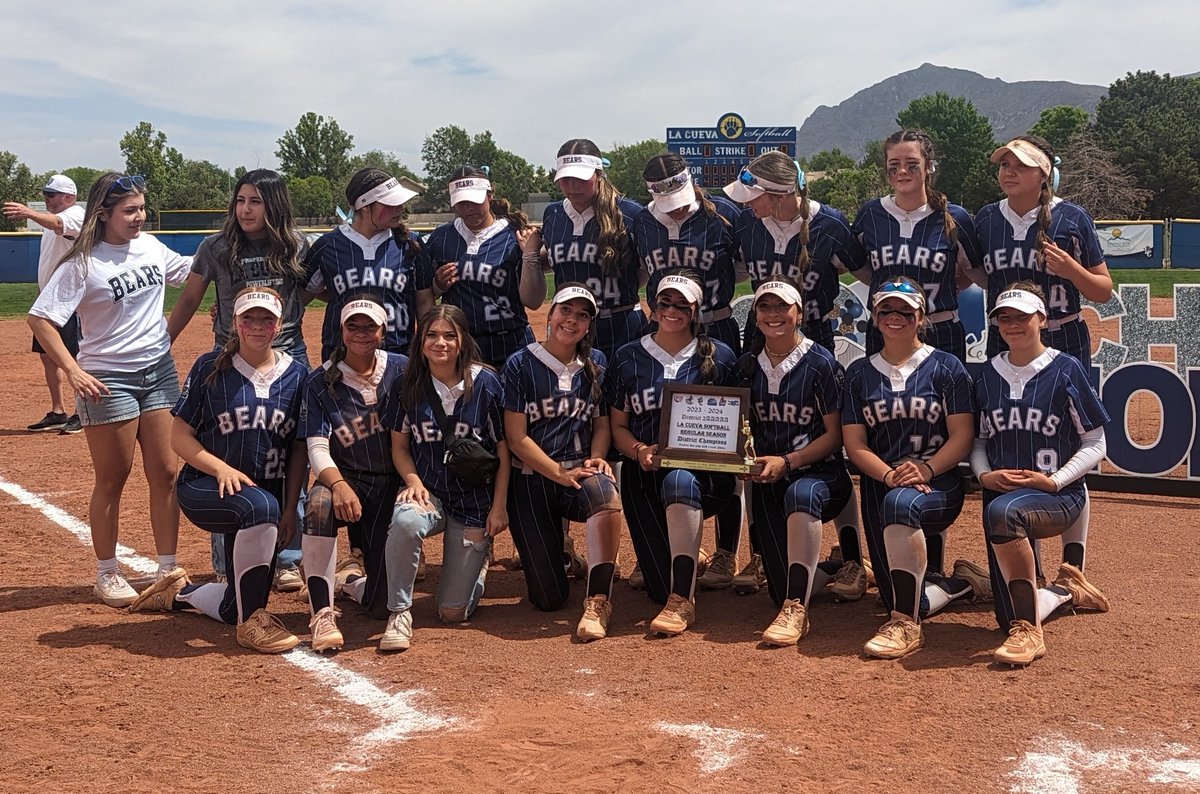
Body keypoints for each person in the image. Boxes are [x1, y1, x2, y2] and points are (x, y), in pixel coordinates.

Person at [28, 172, 191, 607]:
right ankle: (107, 572)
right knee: (114, 477)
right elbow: (41, 319)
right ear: (103, 215)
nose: (139, 217)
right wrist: (71, 370)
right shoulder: (84, 263)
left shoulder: (151, 247)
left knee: (167, 474)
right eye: (130, 211)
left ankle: (166, 570)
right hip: (108, 379)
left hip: (158, 371)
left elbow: (191, 272)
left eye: (141, 208)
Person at [129, 288, 310, 653]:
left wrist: (291, 508)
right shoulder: (211, 367)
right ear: (234, 323)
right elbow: (179, 436)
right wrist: (220, 468)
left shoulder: (297, 376)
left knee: (232, 603)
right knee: (259, 509)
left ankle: (178, 593)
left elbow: (298, 450)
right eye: (249, 318)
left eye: (266, 319)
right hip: (206, 486)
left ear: (278, 326)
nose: (257, 326)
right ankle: (253, 623)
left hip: (268, 500)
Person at [723, 151, 869, 599]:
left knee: (829, 442)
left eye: (754, 197)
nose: (747, 205)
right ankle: (764, 552)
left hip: (817, 335)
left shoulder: (831, 224)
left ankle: (851, 559)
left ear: (780, 194)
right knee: (758, 439)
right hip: (761, 334)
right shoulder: (748, 226)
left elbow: (866, 273)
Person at [167, 168, 311, 592]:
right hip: (229, 358)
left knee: (286, 455)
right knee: (229, 452)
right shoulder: (216, 246)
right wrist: (163, 345)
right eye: (240, 200)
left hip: (287, 355)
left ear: (274, 205)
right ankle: (227, 560)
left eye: (256, 201)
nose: (245, 209)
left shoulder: (298, 246)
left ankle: (287, 558)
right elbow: (191, 297)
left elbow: (315, 288)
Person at [971, 283, 1111, 666]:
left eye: (1022, 317)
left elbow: (1096, 443)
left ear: (1042, 320)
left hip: (1057, 496)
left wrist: (1054, 481)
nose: (1013, 325)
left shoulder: (1066, 368)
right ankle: (1068, 592)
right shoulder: (986, 374)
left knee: (1004, 517)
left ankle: (1030, 633)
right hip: (999, 493)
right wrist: (983, 476)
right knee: (1005, 615)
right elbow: (980, 442)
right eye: (1005, 318)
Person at [841, 277, 979, 659]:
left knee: (901, 507)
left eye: (905, 310)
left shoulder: (946, 367)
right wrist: (889, 474)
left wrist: (928, 469)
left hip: (939, 482)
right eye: (886, 309)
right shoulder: (858, 374)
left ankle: (905, 626)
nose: (895, 316)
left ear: (921, 316)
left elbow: (962, 436)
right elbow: (854, 445)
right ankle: (958, 585)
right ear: (875, 316)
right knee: (901, 594)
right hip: (878, 483)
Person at [631, 154, 745, 590]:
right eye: (667, 201)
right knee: (664, 431)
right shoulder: (642, 222)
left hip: (715, 323)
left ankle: (726, 552)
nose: (676, 208)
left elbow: (744, 266)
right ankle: (663, 546)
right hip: (667, 326)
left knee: (725, 440)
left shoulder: (723, 214)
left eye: (680, 198)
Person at [606, 271, 739, 635]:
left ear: (696, 310)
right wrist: (637, 450)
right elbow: (617, 428)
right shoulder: (628, 356)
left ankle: (683, 601)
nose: (672, 310)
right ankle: (684, 557)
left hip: (704, 477)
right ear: (653, 305)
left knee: (680, 480)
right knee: (656, 589)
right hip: (644, 472)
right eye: (665, 302)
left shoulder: (722, 356)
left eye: (682, 304)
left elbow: (737, 425)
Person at [381, 305, 510, 650]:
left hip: (474, 501)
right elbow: (399, 447)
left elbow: (503, 451)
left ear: (463, 339)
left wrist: (498, 508)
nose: (441, 343)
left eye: (450, 335)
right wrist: (413, 482)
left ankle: (476, 567)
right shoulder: (406, 384)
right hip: (431, 492)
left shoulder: (486, 382)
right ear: (420, 341)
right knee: (406, 521)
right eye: (432, 335)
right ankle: (399, 611)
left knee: (453, 612)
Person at [501, 283, 623, 640]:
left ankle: (599, 598)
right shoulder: (521, 363)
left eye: (582, 315)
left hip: (578, 472)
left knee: (605, 495)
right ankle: (563, 558)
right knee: (549, 599)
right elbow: (515, 437)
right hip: (533, 476)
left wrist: (598, 458)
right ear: (551, 314)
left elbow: (601, 423)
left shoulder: (596, 362)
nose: (572, 320)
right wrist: (557, 471)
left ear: (589, 325)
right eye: (566, 311)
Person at [738, 280, 854, 645]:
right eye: (765, 307)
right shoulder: (746, 367)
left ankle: (797, 610)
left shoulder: (821, 363)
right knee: (777, 586)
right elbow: (737, 428)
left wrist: (788, 461)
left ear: (799, 313)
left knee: (801, 496)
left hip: (819, 476)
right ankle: (829, 569)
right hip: (769, 480)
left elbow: (836, 437)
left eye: (782, 307)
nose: (774, 315)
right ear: (755, 316)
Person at [299, 295, 408, 651]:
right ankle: (322, 612)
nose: (361, 333)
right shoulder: (321, 380)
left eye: (370, 326)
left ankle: (347, 582)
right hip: (347, 478)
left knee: (379, 607)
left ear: (383, 331)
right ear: (341, 331)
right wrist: (340, 485)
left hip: (390, 484)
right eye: (353, 325)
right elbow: (316, 447)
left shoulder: (403, 369)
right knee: (318, 503)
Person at [970, 136, 1112, 365]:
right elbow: (974, 276)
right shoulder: (986, 218)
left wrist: (1072, 271)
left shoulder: (1072, 218)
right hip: (1004, 338)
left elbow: (1103, 291)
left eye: (1022, 166)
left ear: (1044, 174)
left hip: (1061, 337)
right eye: (1005, 165)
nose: (1009, 172)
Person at [851, 129, 983, 362]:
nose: (902, 171)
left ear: (928, 165)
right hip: (886, 330)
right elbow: (861, 268)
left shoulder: (954, 217)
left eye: (912, 163)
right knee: (881, 398)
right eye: (894, 164)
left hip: (939, 330)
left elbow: (974, 273)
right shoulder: (871, 214)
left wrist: (945, 287)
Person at [304, 167, 433, 362]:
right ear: (365, 206)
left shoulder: (411, 244)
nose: (400, 208)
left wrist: (426, 347)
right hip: (341, 354)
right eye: (391, 203)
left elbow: (424, 301)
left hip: (398, 353)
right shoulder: (327, 246)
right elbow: (301, 297)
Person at [425, 166, 547, 370]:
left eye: (474, 201)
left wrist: (530, 256)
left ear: (490, 196)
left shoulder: (514, 237)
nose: (468, 209)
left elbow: (534, 302)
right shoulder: (441, 238)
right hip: (462, 346)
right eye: (461, 203)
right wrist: (437, 285)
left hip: (511, 342)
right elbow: (423, 295)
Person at [541, 140, 646, 363]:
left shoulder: (629, 213)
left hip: (621, 324)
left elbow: (646, 268)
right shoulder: (553, 214)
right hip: (571, 329)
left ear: (598, 174)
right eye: (565, 179)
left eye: (580, 178)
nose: (572, 185)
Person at [5, 174, 86, 434]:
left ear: (68, 197)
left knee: (73, 355)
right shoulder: (48, 225)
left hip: (70, 301)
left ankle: (82, 412)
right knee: (47, 356)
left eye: (51, 194)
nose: (46, 199)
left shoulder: (76, 214)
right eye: (45, 194)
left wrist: (29, 213)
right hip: (49, 301)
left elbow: (58, 222)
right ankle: (58, 411)